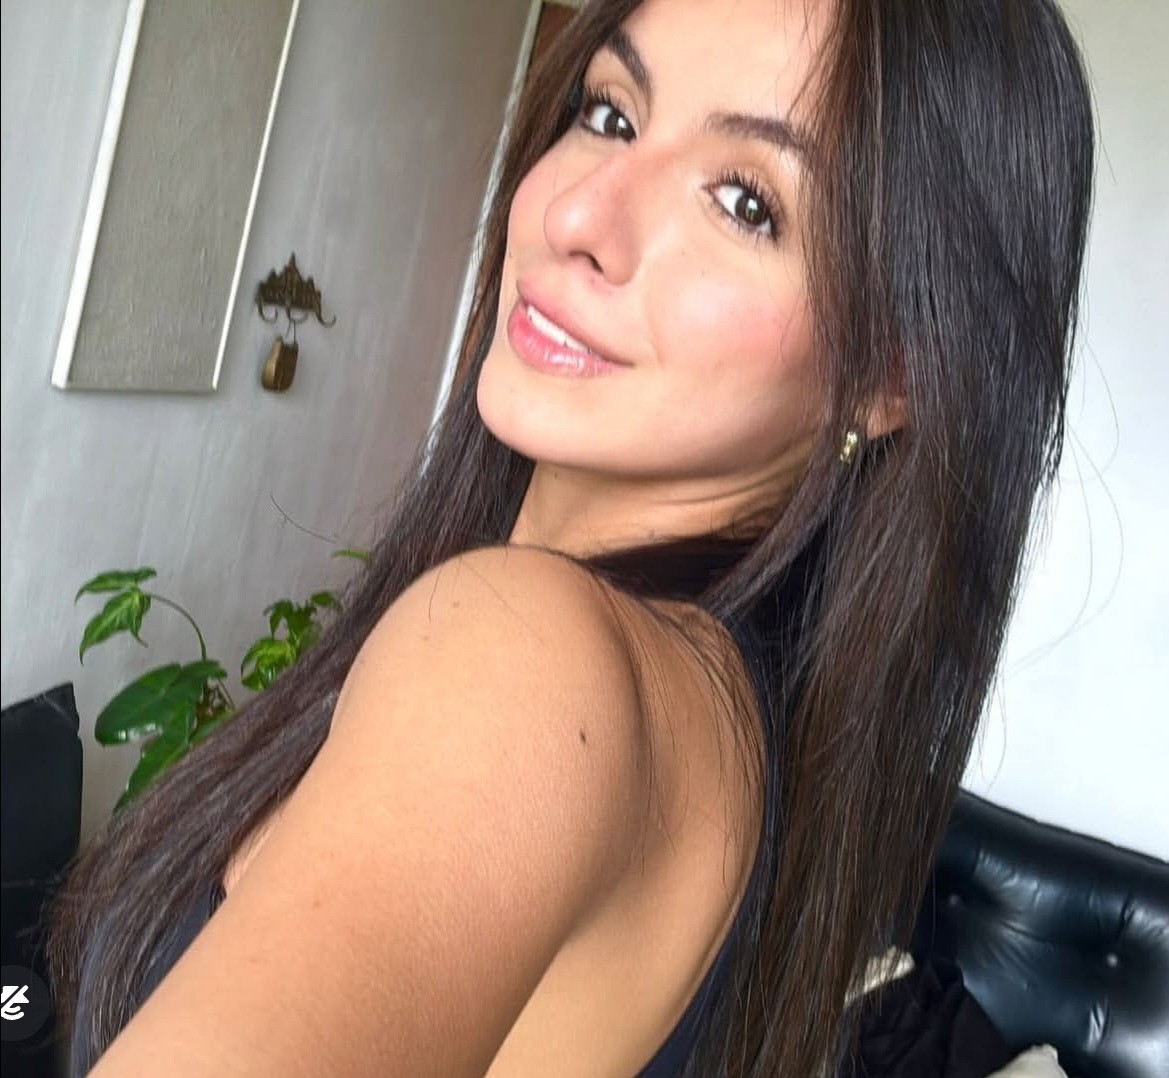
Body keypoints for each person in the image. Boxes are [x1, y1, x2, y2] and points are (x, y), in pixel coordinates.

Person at [45, 0, 1095, 1075]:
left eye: (745, 203)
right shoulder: (724, 727)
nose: (580, 214)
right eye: (610, 114)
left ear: (888, 375)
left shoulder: (526, 660)